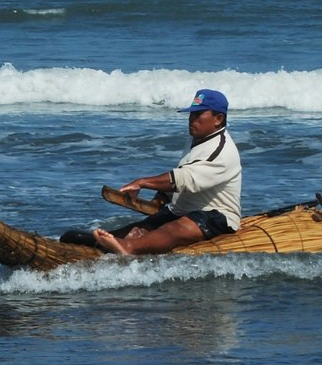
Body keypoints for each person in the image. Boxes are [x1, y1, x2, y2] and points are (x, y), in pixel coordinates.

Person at [92, 88, 243, 256]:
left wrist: (141, 182)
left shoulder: (221, 150)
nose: (191, 119)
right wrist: (162, 197)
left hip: (216, 215)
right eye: (191, 114)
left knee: (175, 228)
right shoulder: (196, 139)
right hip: (184, 209)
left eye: (197, 115)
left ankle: (129, 249)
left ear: (218, 119)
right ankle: (96, 246)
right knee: (136, 230)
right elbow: (184, 171)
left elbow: (185, 179)